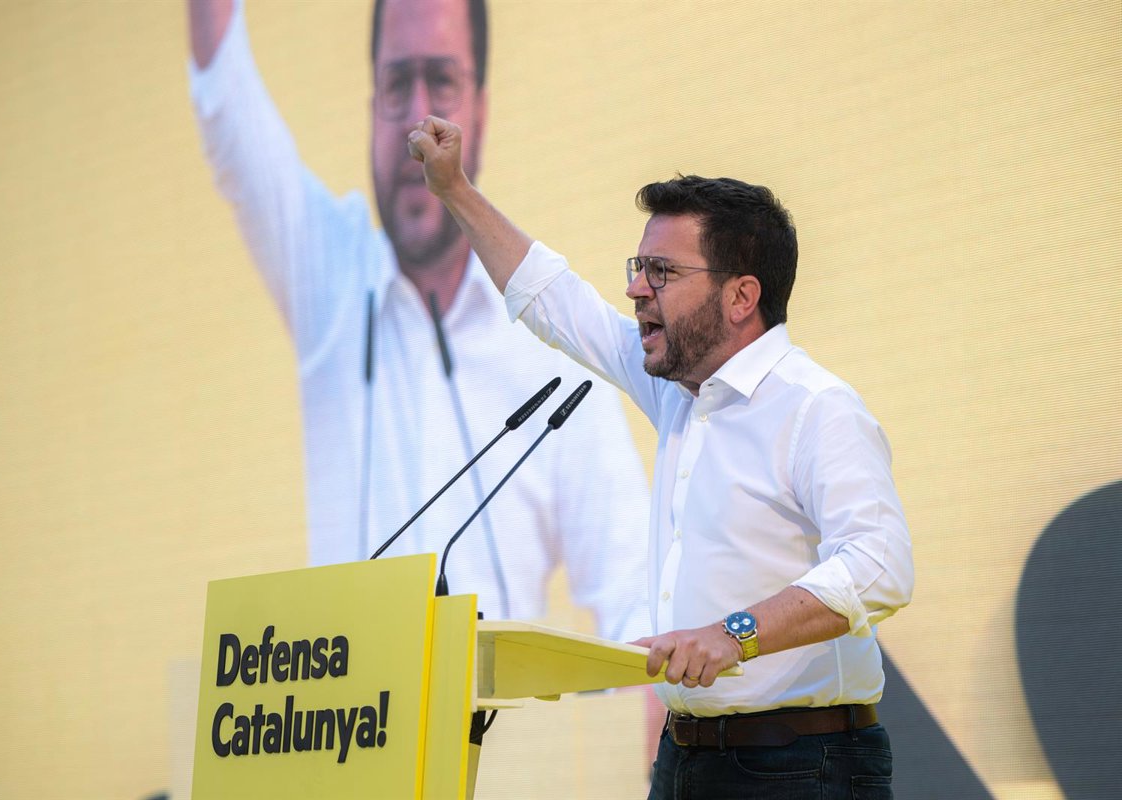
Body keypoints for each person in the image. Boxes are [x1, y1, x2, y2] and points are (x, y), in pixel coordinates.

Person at [409, 115, 915, 799]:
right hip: (685, 759)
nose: (636, 289)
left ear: (741, 296)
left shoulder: (816, 408)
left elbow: (880, 566)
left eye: (662, 272)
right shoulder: (679, 390)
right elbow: (555, 302)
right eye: (638, 268)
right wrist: (455, 189)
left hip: (803, 764)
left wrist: (736, 634)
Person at [185, 0, 650, 641]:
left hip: (495, 708)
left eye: (443, 82)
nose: (417, 122)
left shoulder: (556, 352)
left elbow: (637, 603)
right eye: (397, 83)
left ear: (481, 110)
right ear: (371, 105)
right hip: (338, 701)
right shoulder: (330, 274)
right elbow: (228, 110)